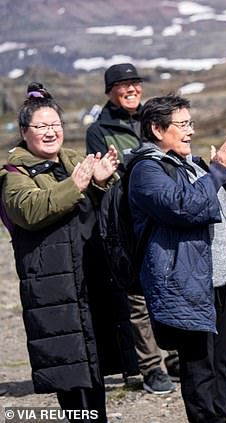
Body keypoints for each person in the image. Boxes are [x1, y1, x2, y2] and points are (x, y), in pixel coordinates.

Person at [1, 83, 137, 422]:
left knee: (95, 369)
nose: (50, 133)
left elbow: (106, 207)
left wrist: (104, 180)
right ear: (24, 132)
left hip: (91, 280)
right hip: (54, 289)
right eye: (41, 127)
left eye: (55, 126)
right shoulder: (14, 175)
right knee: (71, 373)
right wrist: (75, 185)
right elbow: (31, 211)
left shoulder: (75, 161)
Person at [127, 94, 226, 423]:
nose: (190, 131)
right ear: (157, 129)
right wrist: (218, 170)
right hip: (186, 287)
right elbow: (184, 207)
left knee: (221, 362)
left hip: (218, 283)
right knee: (199, 369)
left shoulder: (194, 166)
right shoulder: (146, 170)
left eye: (191, 123)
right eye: (182, 124)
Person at [86, 63, 178, 394]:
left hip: (158, 215)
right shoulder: (99, 130)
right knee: (137, 297)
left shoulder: (152, 119)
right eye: (123, 85)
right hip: (125, 223)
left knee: (166, 284)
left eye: (135, 83)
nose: (131, 89)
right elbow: (101, 176)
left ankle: (176, 353)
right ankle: (151, 366)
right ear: (110, 91)